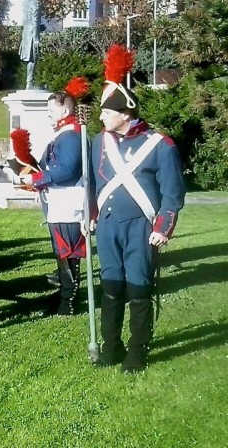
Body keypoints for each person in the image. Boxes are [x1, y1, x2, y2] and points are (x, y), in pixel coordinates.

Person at [90, 44, 185, 373]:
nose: (100, 116)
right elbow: (93, 184)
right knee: (112, 286)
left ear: (125, 113)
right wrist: (89, 216)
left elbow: (173, 193)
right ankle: (111, 346)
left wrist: (163, 227)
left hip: (141, 228)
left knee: (139, 288)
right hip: (108, 225)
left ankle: (138, 350)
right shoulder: (99, 142)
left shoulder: (160, 145)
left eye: (106, 112)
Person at [20, 77, 89, 316]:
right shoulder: (64, 134)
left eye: (51, 109)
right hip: (60, 200)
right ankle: (63, 298)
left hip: (68, 200)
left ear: (66, 109)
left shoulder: (70, 136)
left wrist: (37, 180)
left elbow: (67, 169)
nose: (48, 114)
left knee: (68, 252)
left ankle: (68, 303)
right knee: (62, 251)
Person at [19, 0, 41, 90]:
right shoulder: (35, 3)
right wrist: (36, 38)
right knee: (33, 59)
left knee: (31, 59)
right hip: (32, 35)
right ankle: (29, 82)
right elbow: (35, 21)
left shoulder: (27, 2)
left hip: (26, 34)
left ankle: (30, 81)